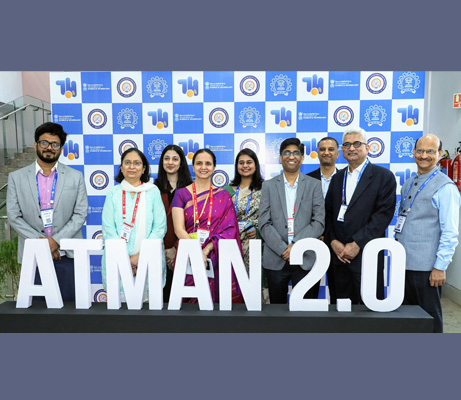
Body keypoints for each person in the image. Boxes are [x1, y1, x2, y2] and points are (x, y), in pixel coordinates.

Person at [7, 122, 88, 302]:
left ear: (61, 149)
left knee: (70, 309)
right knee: (37, 311)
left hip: (67, 253)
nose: (49, 148)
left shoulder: (76, 177)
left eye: (55, 144)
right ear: (36, 145)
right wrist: (43, 244)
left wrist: (55, 241)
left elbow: (80, 214)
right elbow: (13, 215)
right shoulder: (16, 177)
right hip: (33, 255)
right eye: (44, 143)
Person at [395, 134, 460, 333]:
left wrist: (440, 267)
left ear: (439, 154)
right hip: (404, 264)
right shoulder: (408, 183)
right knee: (407, 319)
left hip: (427, 268)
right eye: (420, 151)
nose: (424, 155)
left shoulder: (445, 187)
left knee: (429, 320)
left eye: (430, 151)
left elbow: (450, 232)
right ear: (413, 152)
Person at [325, 127, 396, 304]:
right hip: (339, 256)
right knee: (340, 308)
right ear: (342, 150)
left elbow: (383, 216)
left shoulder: (383, 176)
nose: (351, 148)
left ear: (367, 147)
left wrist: (357, 243)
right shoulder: (337, 178)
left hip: (367, 253)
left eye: (357, 143)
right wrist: (333, 241)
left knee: (369, 311)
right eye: (347, 145)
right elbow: (328, 214)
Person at [172, 148, 243, 303]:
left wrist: (206, 250)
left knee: (216, 302)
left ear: (214, 167)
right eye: (199, 163)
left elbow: (229, 230)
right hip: (188, 254)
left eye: (208, 163)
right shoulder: (181, 194)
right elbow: (178, 229)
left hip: (215, 254)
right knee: (188, 304)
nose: (203, 167)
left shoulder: (223, 195)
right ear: (193, 166)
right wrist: (196, 253)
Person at [259, 138, 325, 304]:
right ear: (280, 157)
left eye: (296, 153)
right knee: (276, 311)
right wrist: (283, 249)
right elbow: (264, 223)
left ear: (302, 158)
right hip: (276, 257)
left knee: (306, 310)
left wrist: (296, 246)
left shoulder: (314, 185)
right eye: (287, 152)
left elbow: (318, 221)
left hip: (306, 257)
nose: (291, 156)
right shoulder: (268, 186)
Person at [101, 148, 167, 302]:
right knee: (120, 312)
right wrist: (125, 259)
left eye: (137, 163)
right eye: (127, 163)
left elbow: (160, 227)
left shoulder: (152, 192)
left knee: (149, 311)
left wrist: (140, 256)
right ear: (121, 167)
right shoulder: (113, 193)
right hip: (118, 260)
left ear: (143, 169)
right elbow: (108, 229)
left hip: (148, 260)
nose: (132, 166)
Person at [223, 149, 267, 302]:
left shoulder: (265, 189)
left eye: (249, 162)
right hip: (232, 244)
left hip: (257, 245)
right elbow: (221, 219)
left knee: (255, 289)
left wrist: (257, 229)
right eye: (241, 163)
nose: (245, 166)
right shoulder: (227, 191)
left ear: (256, 165)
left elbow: (272, 217)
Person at [154, 144, 192, 302]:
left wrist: (175, 248)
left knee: (182, 299)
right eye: (167, 158)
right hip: (158, 251)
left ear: (181, 162)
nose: (170, 162)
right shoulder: (153, 189)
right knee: (160, 298)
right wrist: (164, 248)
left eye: (175, 159)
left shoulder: (191, 189)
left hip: (183, 249)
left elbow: (192, 223)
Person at [307, 137, 340, 304]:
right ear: (317, 153)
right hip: (312, 242)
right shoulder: (306, 179)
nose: (326, 152)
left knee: (339, 294)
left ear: (338, 153)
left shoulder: (346, 178)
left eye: (331, 149)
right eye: (322, 149)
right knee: (309, 295)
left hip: (338, 244)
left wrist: (329, 235)